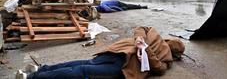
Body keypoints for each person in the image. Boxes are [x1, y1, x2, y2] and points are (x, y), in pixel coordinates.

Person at [16, 27, 185, 79]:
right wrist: (142, 43)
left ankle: (40, 70)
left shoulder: (155, 36)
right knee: (83, 71)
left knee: (83, 65)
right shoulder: (163, 51)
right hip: (123, 65)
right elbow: (159, 69)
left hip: (119, 55)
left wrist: (143, 44)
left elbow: (141, 28)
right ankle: (32, 77)